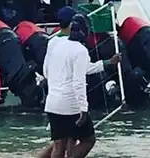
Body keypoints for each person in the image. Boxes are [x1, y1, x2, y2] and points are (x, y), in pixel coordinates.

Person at [39, 13, 120, 158]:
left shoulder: (56, 44)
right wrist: (83, 108)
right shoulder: (80, 50)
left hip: (52, 103)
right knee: (88, 140)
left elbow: (46, 70)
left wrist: (107, 63)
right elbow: (79, 81)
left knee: (59, 145)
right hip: (71, 105)